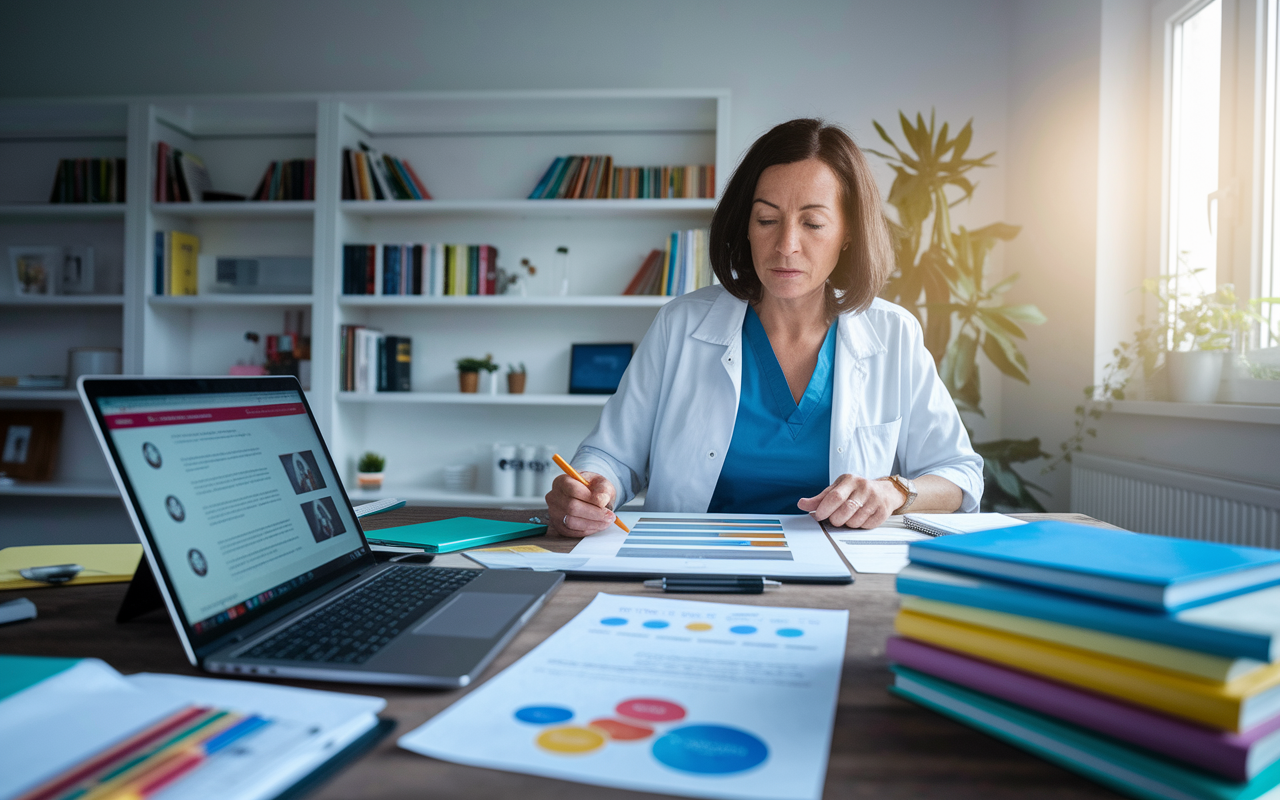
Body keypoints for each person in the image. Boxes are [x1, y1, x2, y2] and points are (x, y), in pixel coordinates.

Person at [546, 118, 983, 536]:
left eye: (813, 223)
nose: (786, 246)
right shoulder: (680, 324)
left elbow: (960, 474)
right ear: (747, 228)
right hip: (688, 563)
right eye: (767, 220)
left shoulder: (894, 334)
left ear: (848, 233)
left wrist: (892, 492)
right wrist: (591, 487)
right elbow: (611, 456)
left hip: (840, 568)